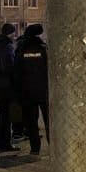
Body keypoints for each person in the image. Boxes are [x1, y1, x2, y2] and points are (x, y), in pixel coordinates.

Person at [14, 24, 50, 155]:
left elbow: (16, 72)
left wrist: (18, 92)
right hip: (44, 91)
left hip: (27, 92)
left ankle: (35, 148)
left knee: (31, 122)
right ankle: (55, 147)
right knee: (49, 121)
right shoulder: (44, 49)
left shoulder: (21, 49)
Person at [0, 23, 18, 151]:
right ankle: (6, 143)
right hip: (7, 85)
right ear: (9, 33)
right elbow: (9, 67)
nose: (14, 35)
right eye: (13, 33)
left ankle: (1, 142)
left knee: (2, 113)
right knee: (7, 115)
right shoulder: (7, 46)